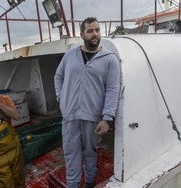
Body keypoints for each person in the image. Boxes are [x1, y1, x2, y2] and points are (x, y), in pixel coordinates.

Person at [54, 17, 120, 188]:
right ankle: (73, 184)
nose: (95, 34)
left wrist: (107, 118)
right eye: (90, 31)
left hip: (93, 117)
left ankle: (89, 182)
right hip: (70, 115)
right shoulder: (70, 55)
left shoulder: (109, 59)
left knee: (90, 152)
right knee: (71, 153)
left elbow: (113, 89)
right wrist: (62, 99)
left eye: (97, 30)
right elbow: (58, 77)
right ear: (82, 34)